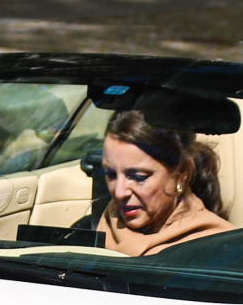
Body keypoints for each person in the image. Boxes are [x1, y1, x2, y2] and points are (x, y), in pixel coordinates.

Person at [92, 109, 231, 256]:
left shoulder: (220, 249)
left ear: (182, 174)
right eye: (111, 174)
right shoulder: (90, 231)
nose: (120, 193)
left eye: (139, 177)